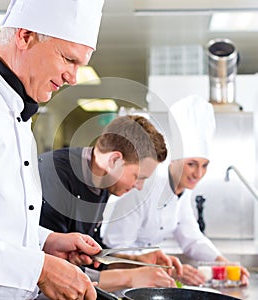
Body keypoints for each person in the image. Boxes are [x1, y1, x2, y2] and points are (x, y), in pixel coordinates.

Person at [0, 0, 105, 299]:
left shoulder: (17, 113)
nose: (73, 78)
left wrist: (45, 242)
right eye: (68, 59)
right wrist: (39, 269)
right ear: (25, 37)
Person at [102, 95, 250, 286]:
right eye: (191, 164)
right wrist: (166, 270)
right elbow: (116, 247)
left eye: (205, 166)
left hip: (147, 277)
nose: (198, 173)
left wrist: (223, 263)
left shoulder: (181, 193)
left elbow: (192, 239)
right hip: (120, 277)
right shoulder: (143, 185)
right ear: (174, 161)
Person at [38, 115, 182, 292]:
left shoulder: (102, 183)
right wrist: (131, 277)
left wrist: (138, 262)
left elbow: (94, 257)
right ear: (114, 160)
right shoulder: (56, 176)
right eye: (138, 177)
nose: (139, 187)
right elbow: (53, 271)